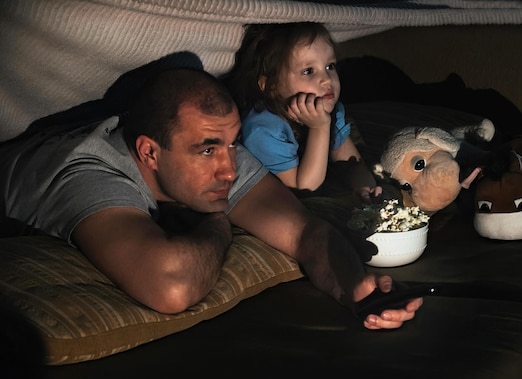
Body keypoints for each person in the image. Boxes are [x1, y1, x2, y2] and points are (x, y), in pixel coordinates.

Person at [0, 67, 421, 330]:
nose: (229, 169)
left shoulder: (216, 155)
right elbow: (172, 288)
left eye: (232, 144)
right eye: (207, 150)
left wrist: (356, 288)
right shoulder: (89, 173)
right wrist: (219, 220)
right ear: (149, 152)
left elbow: (306, 232)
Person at [223, 22, 382, 202]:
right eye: (308, 71)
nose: (326, 80)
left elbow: (351, 163)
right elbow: (305, 188)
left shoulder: (328, 111)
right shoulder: (264, 129)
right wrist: (320, 128)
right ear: (271, 87)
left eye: (330, 66)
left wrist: (365, 187)